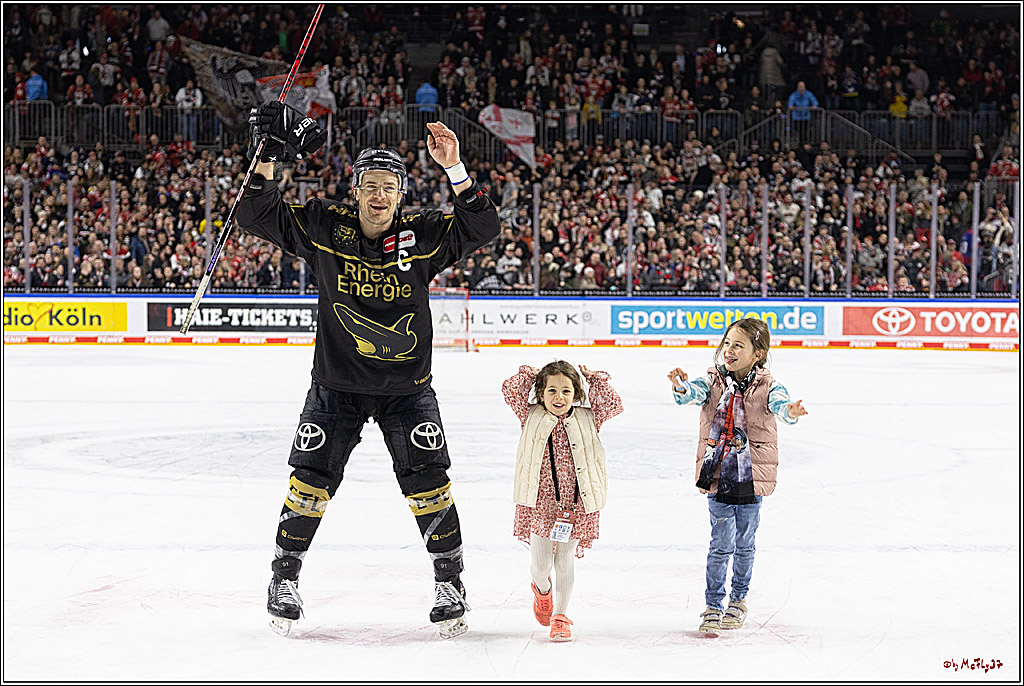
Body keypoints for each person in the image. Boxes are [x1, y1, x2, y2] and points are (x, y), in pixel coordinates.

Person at [235, 101, 500, 640]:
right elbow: (254, 214)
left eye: (389, 187)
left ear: (401, 194)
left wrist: (454, 168)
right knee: (308, 483)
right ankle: (282, 581)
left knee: (429, 484)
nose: (379, 196)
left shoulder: (421, 232)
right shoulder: (322, 224)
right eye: (370, 186)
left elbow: (483, 226)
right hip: (336, 387)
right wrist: (268, 155)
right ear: (355, 189)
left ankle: (451, 584)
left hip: (408, 390)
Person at [667, 318, 807, 637]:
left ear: (758, 354)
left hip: (752, 478)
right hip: (718, 475)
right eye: (727, 342)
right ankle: (713, 606)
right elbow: (691, 394)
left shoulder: (769, 386)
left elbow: (781, 406)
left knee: (744, 544)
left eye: (738, 345)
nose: (729, 349)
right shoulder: (713, 381)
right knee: (720, 545)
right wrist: (680, 386)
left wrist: (791, 413)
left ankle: (738, 600)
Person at [501, 361, 623, 642]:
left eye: (566, 391)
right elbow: (510, 391)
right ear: (540, 394)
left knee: (566, 561)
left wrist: (596, 380)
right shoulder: (528, 414)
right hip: (540, 502)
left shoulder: (588, 417)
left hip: (575, 503)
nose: (559, 397)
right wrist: (529, 376)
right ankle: (542, 590)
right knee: (542, 565)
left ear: (576, 394)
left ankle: (561, 617)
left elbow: (613, 404)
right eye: (551, 390)